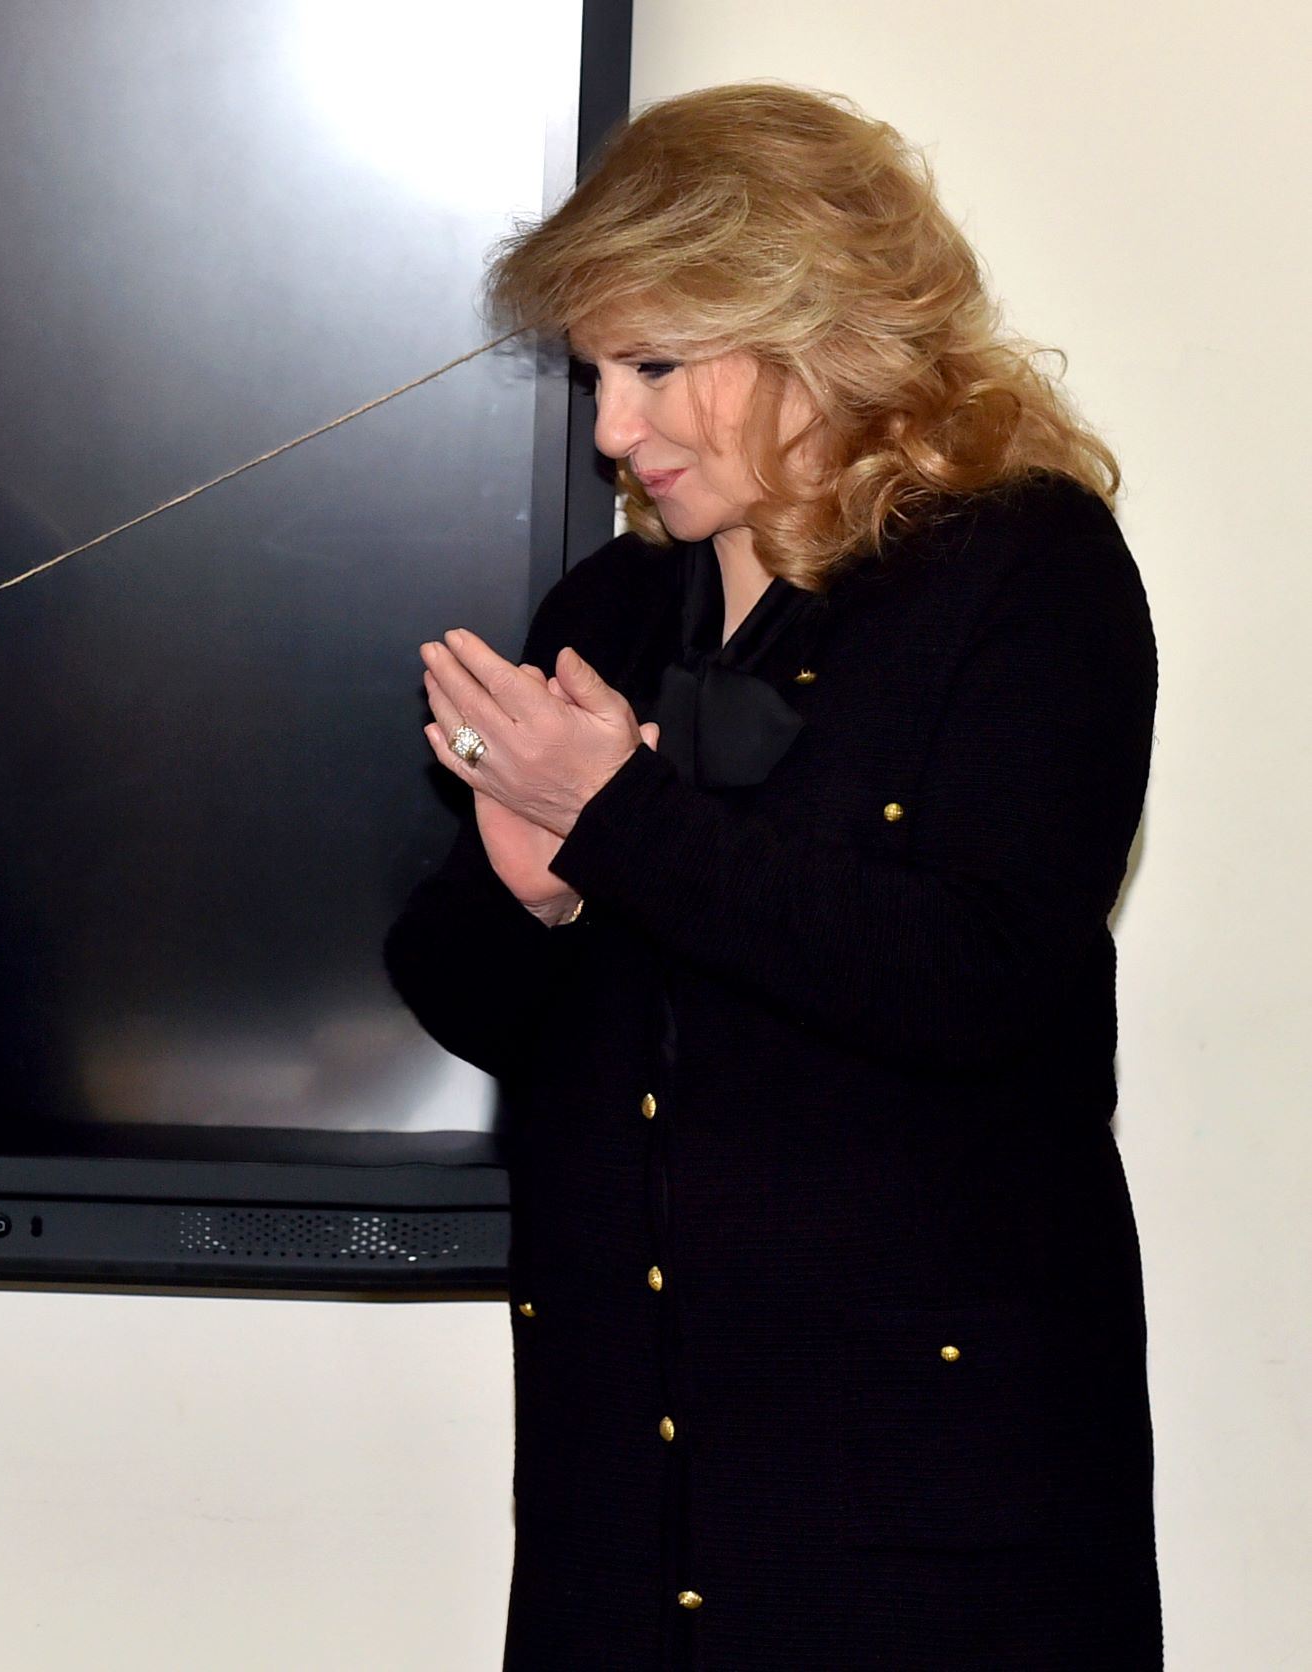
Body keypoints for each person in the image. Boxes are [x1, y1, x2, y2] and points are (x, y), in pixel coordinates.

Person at [386, 85, 1159, 1669]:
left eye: (656, 367)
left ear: (817, 324)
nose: (612, 430)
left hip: (921, 1513)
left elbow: (983, 979)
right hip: (625, 1495)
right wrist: (533, 893)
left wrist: (620, 820)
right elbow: (469, 1000)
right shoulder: (608, 605)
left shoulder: (1028, 572)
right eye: (597, 375)